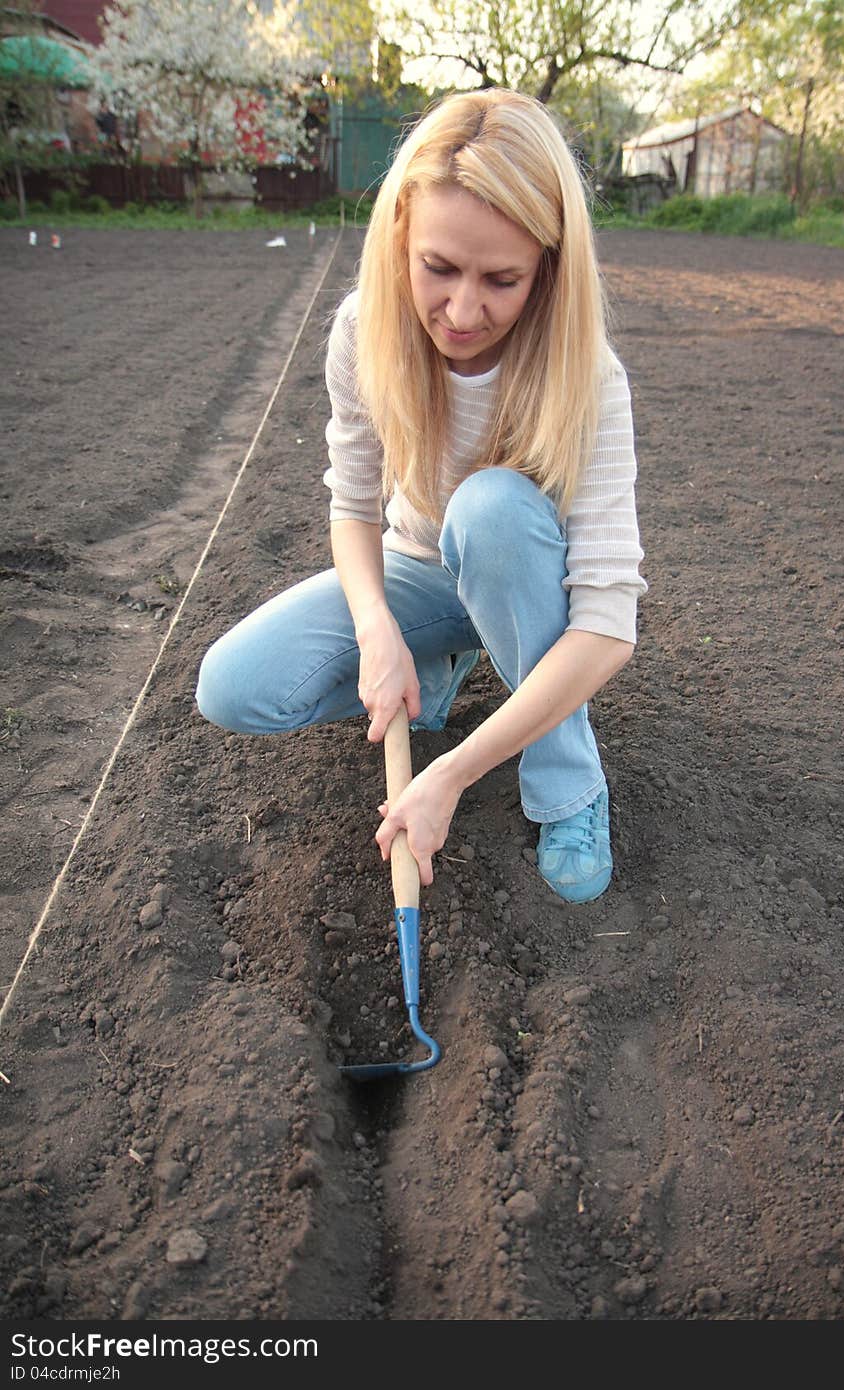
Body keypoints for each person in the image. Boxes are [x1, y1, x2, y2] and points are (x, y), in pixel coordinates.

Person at [196, 87, 646, 904]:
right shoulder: (364, 332)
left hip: (524, 574)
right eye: (438, 268)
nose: (462, 311)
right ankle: (436, 662)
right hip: (422, 570)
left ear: (548, 267)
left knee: (493, 510)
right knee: (234, 686)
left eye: (501, 280)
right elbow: (355, 503)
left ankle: (570, 787)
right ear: (401, 233)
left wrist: (454, 771)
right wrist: (377, 634)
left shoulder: (588, 378)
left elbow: (609, 625)